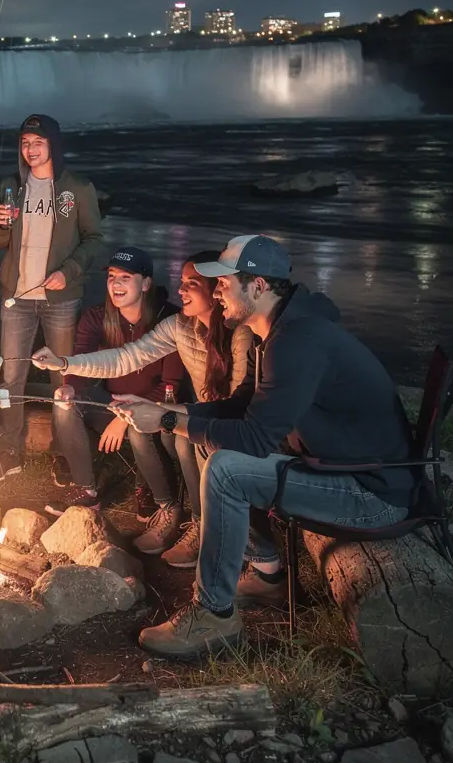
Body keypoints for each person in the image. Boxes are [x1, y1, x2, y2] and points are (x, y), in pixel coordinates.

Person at [111, 235, 414, 661]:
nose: (216, 292)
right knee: (204, 444)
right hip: (339, 463)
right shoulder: (272, 333)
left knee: (226, 469)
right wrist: (169, 410)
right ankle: (270, 576)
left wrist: (165, 421)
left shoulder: (296, 342)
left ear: (258, 287)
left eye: (223, 284)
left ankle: (214, 615)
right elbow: (239, 408)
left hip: (371, 491)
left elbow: (255, 438)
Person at [34, 250, 253, 568]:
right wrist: (65, 363)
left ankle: (207, 529)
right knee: (163, 427)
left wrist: (165, 411)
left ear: (215, 289)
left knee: (183, 437)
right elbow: (125, 357)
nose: (180, 289)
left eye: (191, 284)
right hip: (197, 412)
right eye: (182, 282)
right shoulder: (180, 326)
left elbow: (234, 404)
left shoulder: (240, 334)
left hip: (237, 424)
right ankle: (182, 517)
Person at [0, 113, 104, 482]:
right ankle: (10, 450)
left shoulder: (77, 188)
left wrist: (67, 272)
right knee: (11, 377)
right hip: (17, 296)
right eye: (25, 143)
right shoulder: (11, 186)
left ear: (53, 144)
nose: (31, 149)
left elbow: (95, 239)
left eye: (38, 142)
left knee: (62, 379)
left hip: (61, 299)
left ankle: (63, 452)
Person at [45, 248, 185, 534]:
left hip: (156, 408)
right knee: (63, 404)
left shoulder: (169, 320)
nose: (116, 284)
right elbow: (82, 358)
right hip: (112, 402)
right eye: (111, 277)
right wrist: (70, 386)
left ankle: (152, 493)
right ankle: (87, 489)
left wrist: (124, 418)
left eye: (125, 277)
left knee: (136, 428)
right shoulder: (97, 316)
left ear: (146, 283)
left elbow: (171, 386)